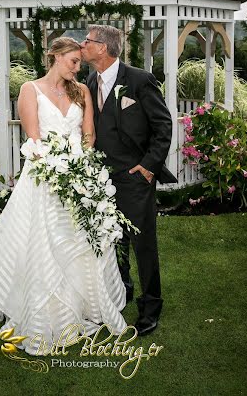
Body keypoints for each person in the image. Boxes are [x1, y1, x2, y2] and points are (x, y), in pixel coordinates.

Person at [0, 37, 127, 355]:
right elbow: (34, 137)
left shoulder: (82, 91)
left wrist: (83, 171)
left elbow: (89, 134)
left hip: (80, 175)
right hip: (45, 176)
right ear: (56, 57)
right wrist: (60, 173)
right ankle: (46, 312)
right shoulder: (30, 90)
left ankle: (85, 305)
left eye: (80, 63)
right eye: (73, 61)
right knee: (45, 242)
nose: (77, 67)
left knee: (80, 242)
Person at [81, 25, 176, 336]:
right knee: (113, 240)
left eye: (88, 40)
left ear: (104, 48)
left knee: (142, 243)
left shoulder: (139, 80)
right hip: (101, 179)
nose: (83, 45)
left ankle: (151, 307)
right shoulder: (90, 79)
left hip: (134, 177)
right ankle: (123, 292)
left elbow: (163, 126)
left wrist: (148, 167)